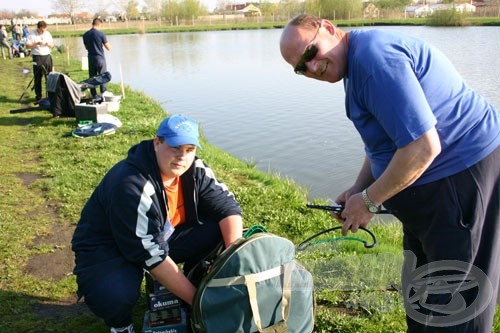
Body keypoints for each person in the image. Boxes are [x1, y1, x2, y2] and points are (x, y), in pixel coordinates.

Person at [280, 14, 499, 333]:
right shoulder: (355, 66)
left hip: (459, 179)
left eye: (310, 53)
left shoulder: (373, 60)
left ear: (328, 28)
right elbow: (384, 143)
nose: (311, 68)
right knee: (423, 290)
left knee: (457, 302)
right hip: (429, 195)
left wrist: (369, 201)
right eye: (301, 67)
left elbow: (423, 147)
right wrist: (359, 187)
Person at [71, 114, 243, 333]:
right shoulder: (131, 184)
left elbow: (227, 206)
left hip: (156, 237)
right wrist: (202, 305)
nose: (182, 157)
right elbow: (150, 254)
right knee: (114, 294)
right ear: (157, 143)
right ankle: (121, 326)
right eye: (175, 147)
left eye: (190, 149)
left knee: (217, 229)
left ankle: (192, 282)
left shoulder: (194, 169)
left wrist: (235, 257)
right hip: (108, 248)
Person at [82, 17, 111, 97]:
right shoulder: (101, 34)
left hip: (91, 58)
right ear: (99, 24)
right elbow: (108, 48)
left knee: (92, 77)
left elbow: (86, 47)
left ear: (92, 24)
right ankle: (103, 93)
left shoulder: (85, 35)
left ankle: (93, 94)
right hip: (100, 58)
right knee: (103, 76)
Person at [26, 21, 54, 102]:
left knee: (49, 77)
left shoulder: (47, 34)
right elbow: (27, 46)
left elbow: (52, 45)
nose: (43, 32)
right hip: (37, 57)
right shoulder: (32, 34)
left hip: (47, 56)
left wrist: (49, 44)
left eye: (44, 30)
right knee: (38, 77)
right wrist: (35, 44)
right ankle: (38, 97)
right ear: (38, 28)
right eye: (42, 30)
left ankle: (50, 96)